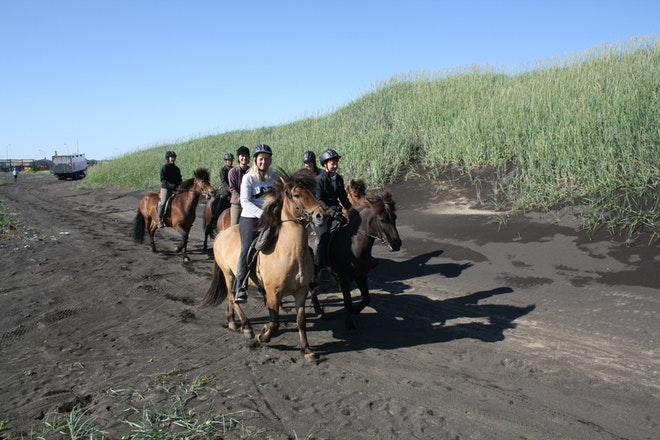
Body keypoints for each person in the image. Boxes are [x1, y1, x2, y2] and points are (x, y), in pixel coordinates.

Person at [233, 143, 279, 303]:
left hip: (272, 217)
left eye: (266, 159)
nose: (263, 162)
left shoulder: (275, 178)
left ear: (270, 160)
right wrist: (262, 215)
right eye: (261, 159)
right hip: (250, 218)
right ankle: (240, 285)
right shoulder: (248, 177)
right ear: (255, 160)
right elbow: (245, 201)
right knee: (247, 248)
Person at [314, 148, 353, 287]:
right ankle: (323, 268)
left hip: (336, 211)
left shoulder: (339, 178)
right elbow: (319, 200)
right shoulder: (319, 180)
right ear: (325, 164)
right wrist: (332, 212)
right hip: (323, 213)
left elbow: (342, 196)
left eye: (336, 163)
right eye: (332, 163)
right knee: (324, 238)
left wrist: (350, 209)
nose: (335, 165)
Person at [158, 150, 182, 228]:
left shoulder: (176, 169)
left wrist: (180, 185)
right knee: (163, 202)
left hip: (176, 188)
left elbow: (180, 179)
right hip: (166, 188)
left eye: (173, 157)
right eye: (171, 157)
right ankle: (160, 220)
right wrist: (172, 186)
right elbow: (163, 180)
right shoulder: (164, 168)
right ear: (168, 158)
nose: (172, 159)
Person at [227, 145, 251, 226]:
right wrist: (241, 198)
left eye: (246, 156)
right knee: (234, 226)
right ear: (238, 157)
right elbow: (232, 188)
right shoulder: (232, 172)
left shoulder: (252, 171)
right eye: (242, 156)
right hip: (237, 204)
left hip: (250, 203)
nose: (244, 158)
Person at [212, 152, 233, 221]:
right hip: (225, 190)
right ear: (226, 161)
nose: (230, 162)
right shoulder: (223, 170)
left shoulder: (233, 169)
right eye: (229, 160)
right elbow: (223, 181)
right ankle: (215, 218)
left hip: (233, 190)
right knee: (222, 200)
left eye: (231, 160)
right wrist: (229, 189)